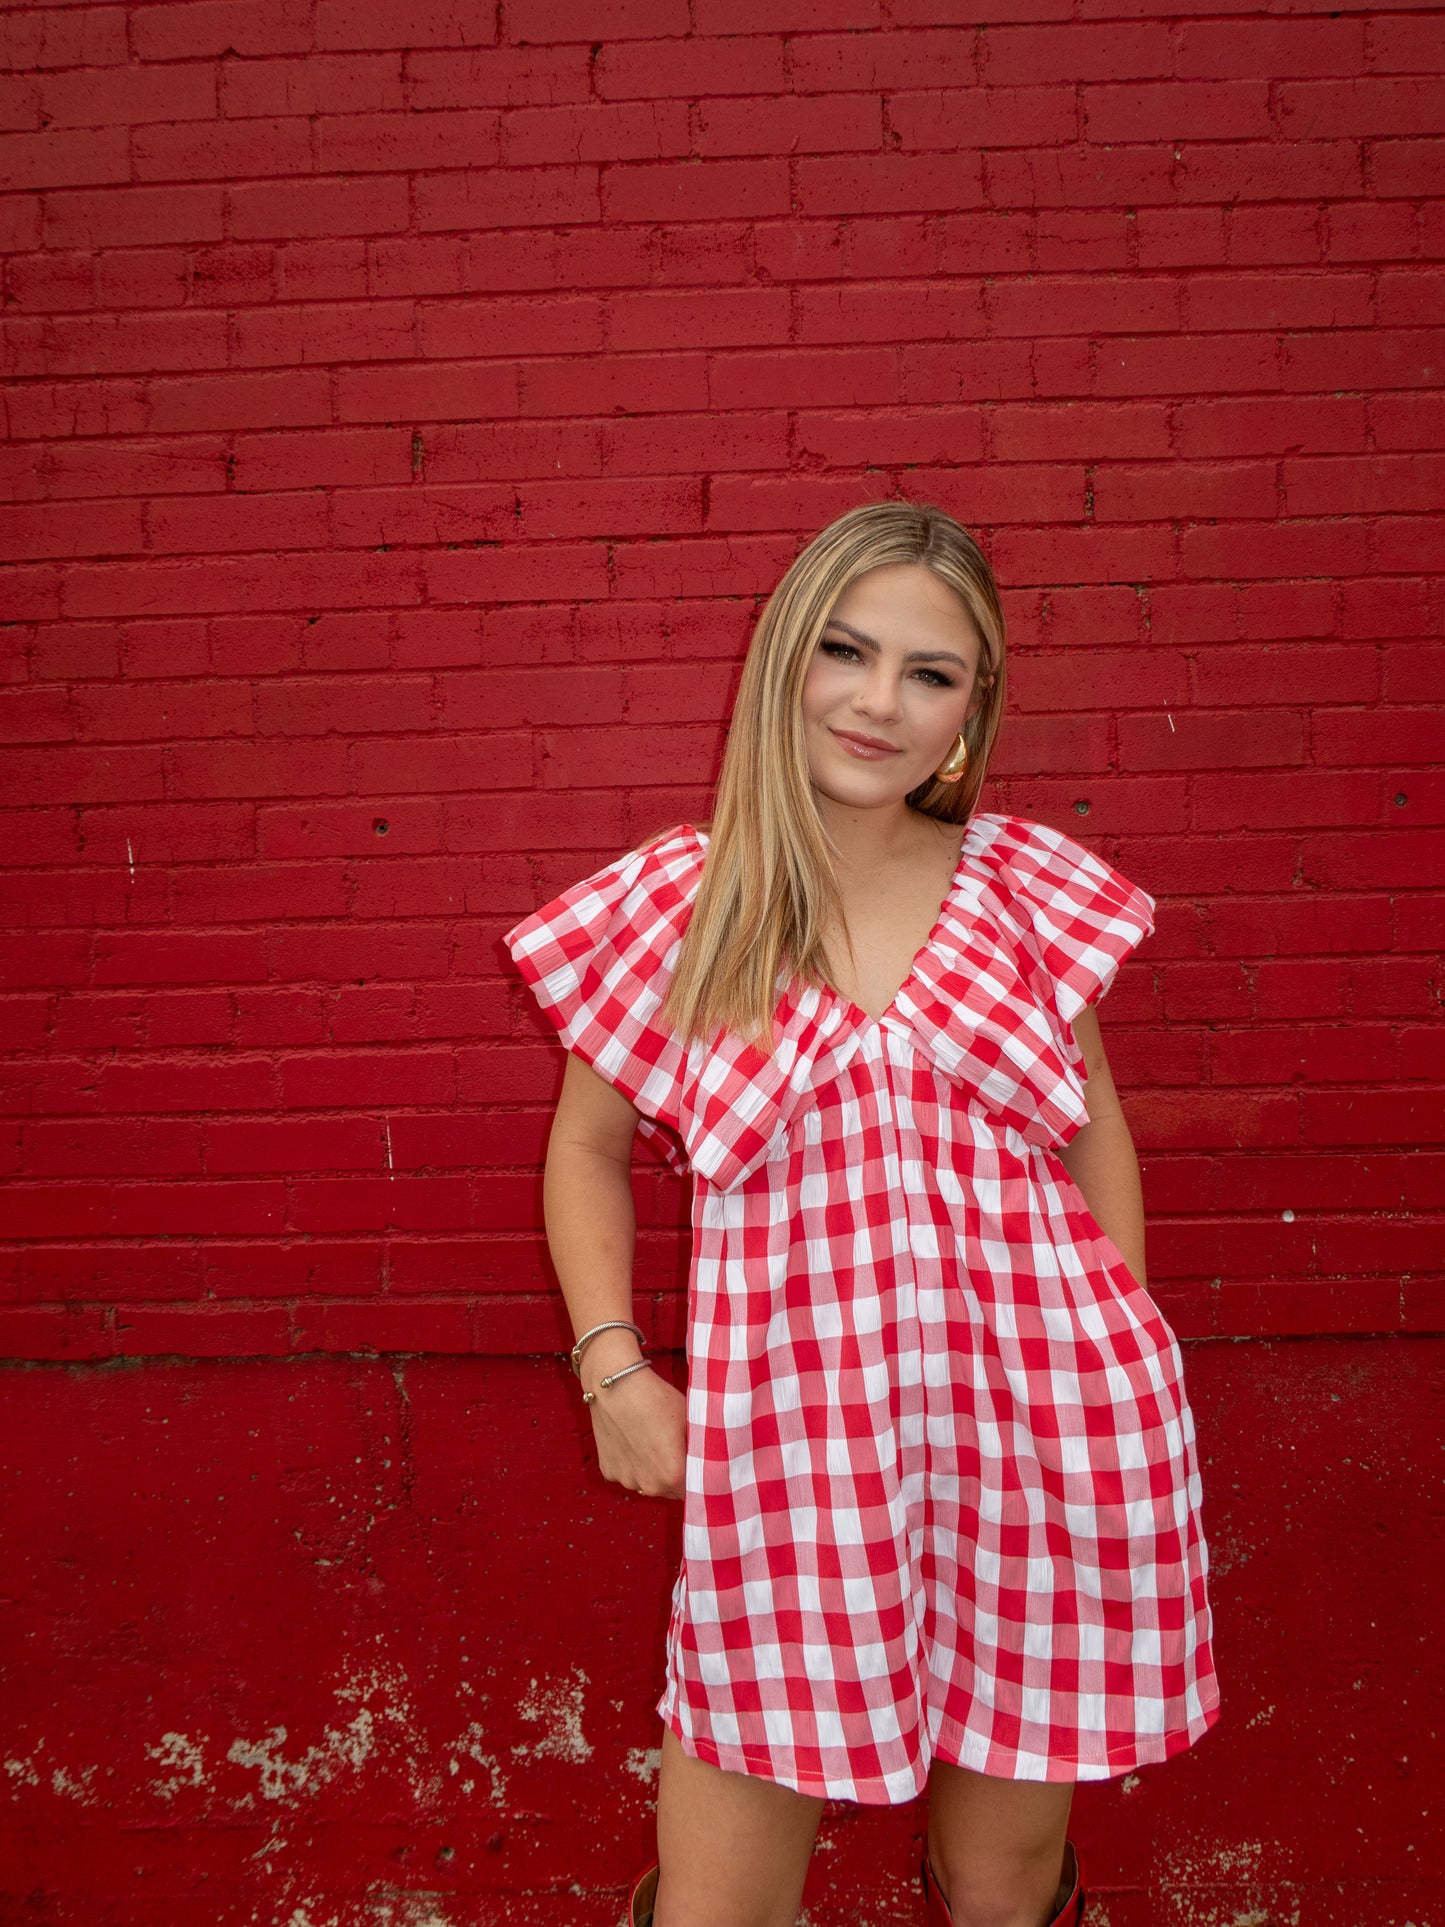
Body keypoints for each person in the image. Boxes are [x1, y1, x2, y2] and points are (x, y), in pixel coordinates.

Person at [504, 501, 1221, 1927]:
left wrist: (1124, 1352)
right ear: (784, 662)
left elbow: (1096, 1138)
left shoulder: (1023, 893)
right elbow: (585, 1150)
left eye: (929, 672)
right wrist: (613, 1369)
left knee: (1000, 1881)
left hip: (1038, 1440)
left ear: (971, 706)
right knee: (723, 1904)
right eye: (844, 650)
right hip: (789, 1463)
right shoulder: (680, 906)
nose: (878, 701)